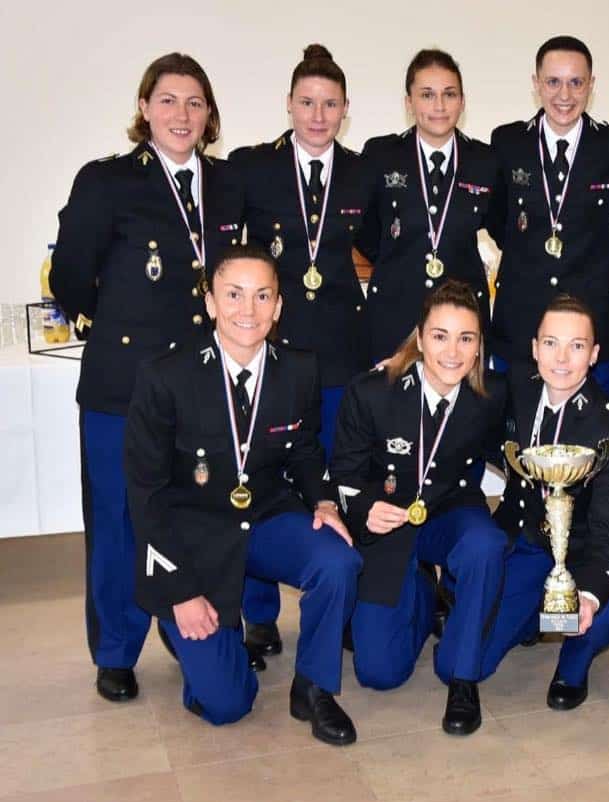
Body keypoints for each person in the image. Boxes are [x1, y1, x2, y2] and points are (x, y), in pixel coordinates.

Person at [49, 52, 244, 702]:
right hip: (121, 388)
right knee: (117, 522)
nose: (181, 114)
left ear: (209, 114)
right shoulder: (107, 182)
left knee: (199, 515)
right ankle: (115, 651)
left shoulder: (227, 185)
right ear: (143, 108)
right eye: (167, 100)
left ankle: (200, 626)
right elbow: (71, 276)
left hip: (202, 393)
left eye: (194, 102)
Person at [124, 245, 361, 744]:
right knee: (229, 704)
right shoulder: (165, 376)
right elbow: (146, 496)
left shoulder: (299, 369)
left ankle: (314, 688)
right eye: (233, 295)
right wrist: (182, 594)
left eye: (262, 297)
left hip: (268, 519)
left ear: (278, 306)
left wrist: (322, 500)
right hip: (193, 540)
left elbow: (303, 451)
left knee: (338, 559)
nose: (247, 311)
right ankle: (180, 626)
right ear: (210, 301)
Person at [230, 43, 373, 660]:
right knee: (263, 478)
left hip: (342, 350)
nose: (318, 115)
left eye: (331, 104)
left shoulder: (364, 173)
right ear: (289, 104)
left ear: (346, 110)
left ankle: (338, 600)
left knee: (338, 475)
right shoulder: (251, 168)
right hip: (273, 350)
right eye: (307, 102)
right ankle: (259, 613)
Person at [331, 280, 509, 735]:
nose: (453, 351)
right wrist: (365, 507)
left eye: (466, 338)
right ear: (420, 336)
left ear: (478, 346)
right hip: (386, 525)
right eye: (440, 336)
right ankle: (425, 595)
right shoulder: (372, 391)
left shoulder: (489, 396)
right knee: (379, 674)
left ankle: (463, 678)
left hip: (448, 512)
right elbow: (344, 476)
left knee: (486, 543)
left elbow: (511, 451)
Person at [493, 294, 609, 709]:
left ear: (594, 355)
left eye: (577, 346)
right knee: (465, 666)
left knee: (602, 612)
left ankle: (575, 658)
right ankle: (529, 620)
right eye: (551, 343)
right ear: (535, 348)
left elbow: (608, 531)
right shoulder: (516, 390)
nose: (562, 358)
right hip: (524, 543)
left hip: (580, 553)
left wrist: (588, 595)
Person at [488, 35, 609, 400]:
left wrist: (596, 265)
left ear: (591, 85)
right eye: (553, 82)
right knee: (517, 441)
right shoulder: (507, 142)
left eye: (576, 82)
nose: (564, 95)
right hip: (522, 319)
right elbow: (497, 221)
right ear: (536, 83)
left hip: (592, 320)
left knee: (596, 442)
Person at [359, 49, 500, 362]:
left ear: (462, 102)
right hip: (395, 315)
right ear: (409, 102)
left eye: (449, 94)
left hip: (462, 321)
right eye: (427, 95)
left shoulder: (484, 161)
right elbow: (366, 233)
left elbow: (503, 226)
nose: (439, 106)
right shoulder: (381, 155)